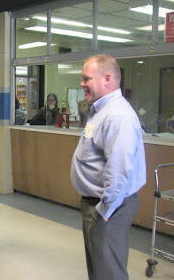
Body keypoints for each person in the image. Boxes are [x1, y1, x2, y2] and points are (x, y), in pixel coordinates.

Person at [71, 54, 146, 280]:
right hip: (98, 205)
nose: (82, 84)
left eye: (87, 79)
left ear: (107, 78)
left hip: (108, 208)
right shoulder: (100, 110)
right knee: (99, 271)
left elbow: (120, 171)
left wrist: (103, 211)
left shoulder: (117, 116)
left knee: (109, 273)